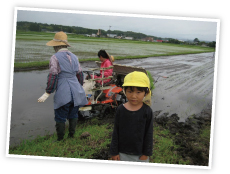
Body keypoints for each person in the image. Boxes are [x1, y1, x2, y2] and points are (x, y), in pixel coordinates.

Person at [37, 31, 88, 141]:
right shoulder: (74, 57)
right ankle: (71, 136)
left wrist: (48, 92)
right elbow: (80, 74)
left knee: (60, 116)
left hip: (63, 91)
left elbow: (53, 75)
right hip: (76, 91)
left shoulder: (55, 58)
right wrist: (78, 87)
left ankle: (60, 139)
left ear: (56, 46)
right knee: (73, 114)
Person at [110, 71, 153, 162]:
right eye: (130, 91)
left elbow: (149, 133)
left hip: (140, 155)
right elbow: (116, 132)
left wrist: (146, 153)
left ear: (145, 93)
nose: (134, 96)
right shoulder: (121, 110)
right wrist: (114, 152)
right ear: (124, 91)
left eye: (138, 92)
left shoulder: (147, 111)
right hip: (122, 153)